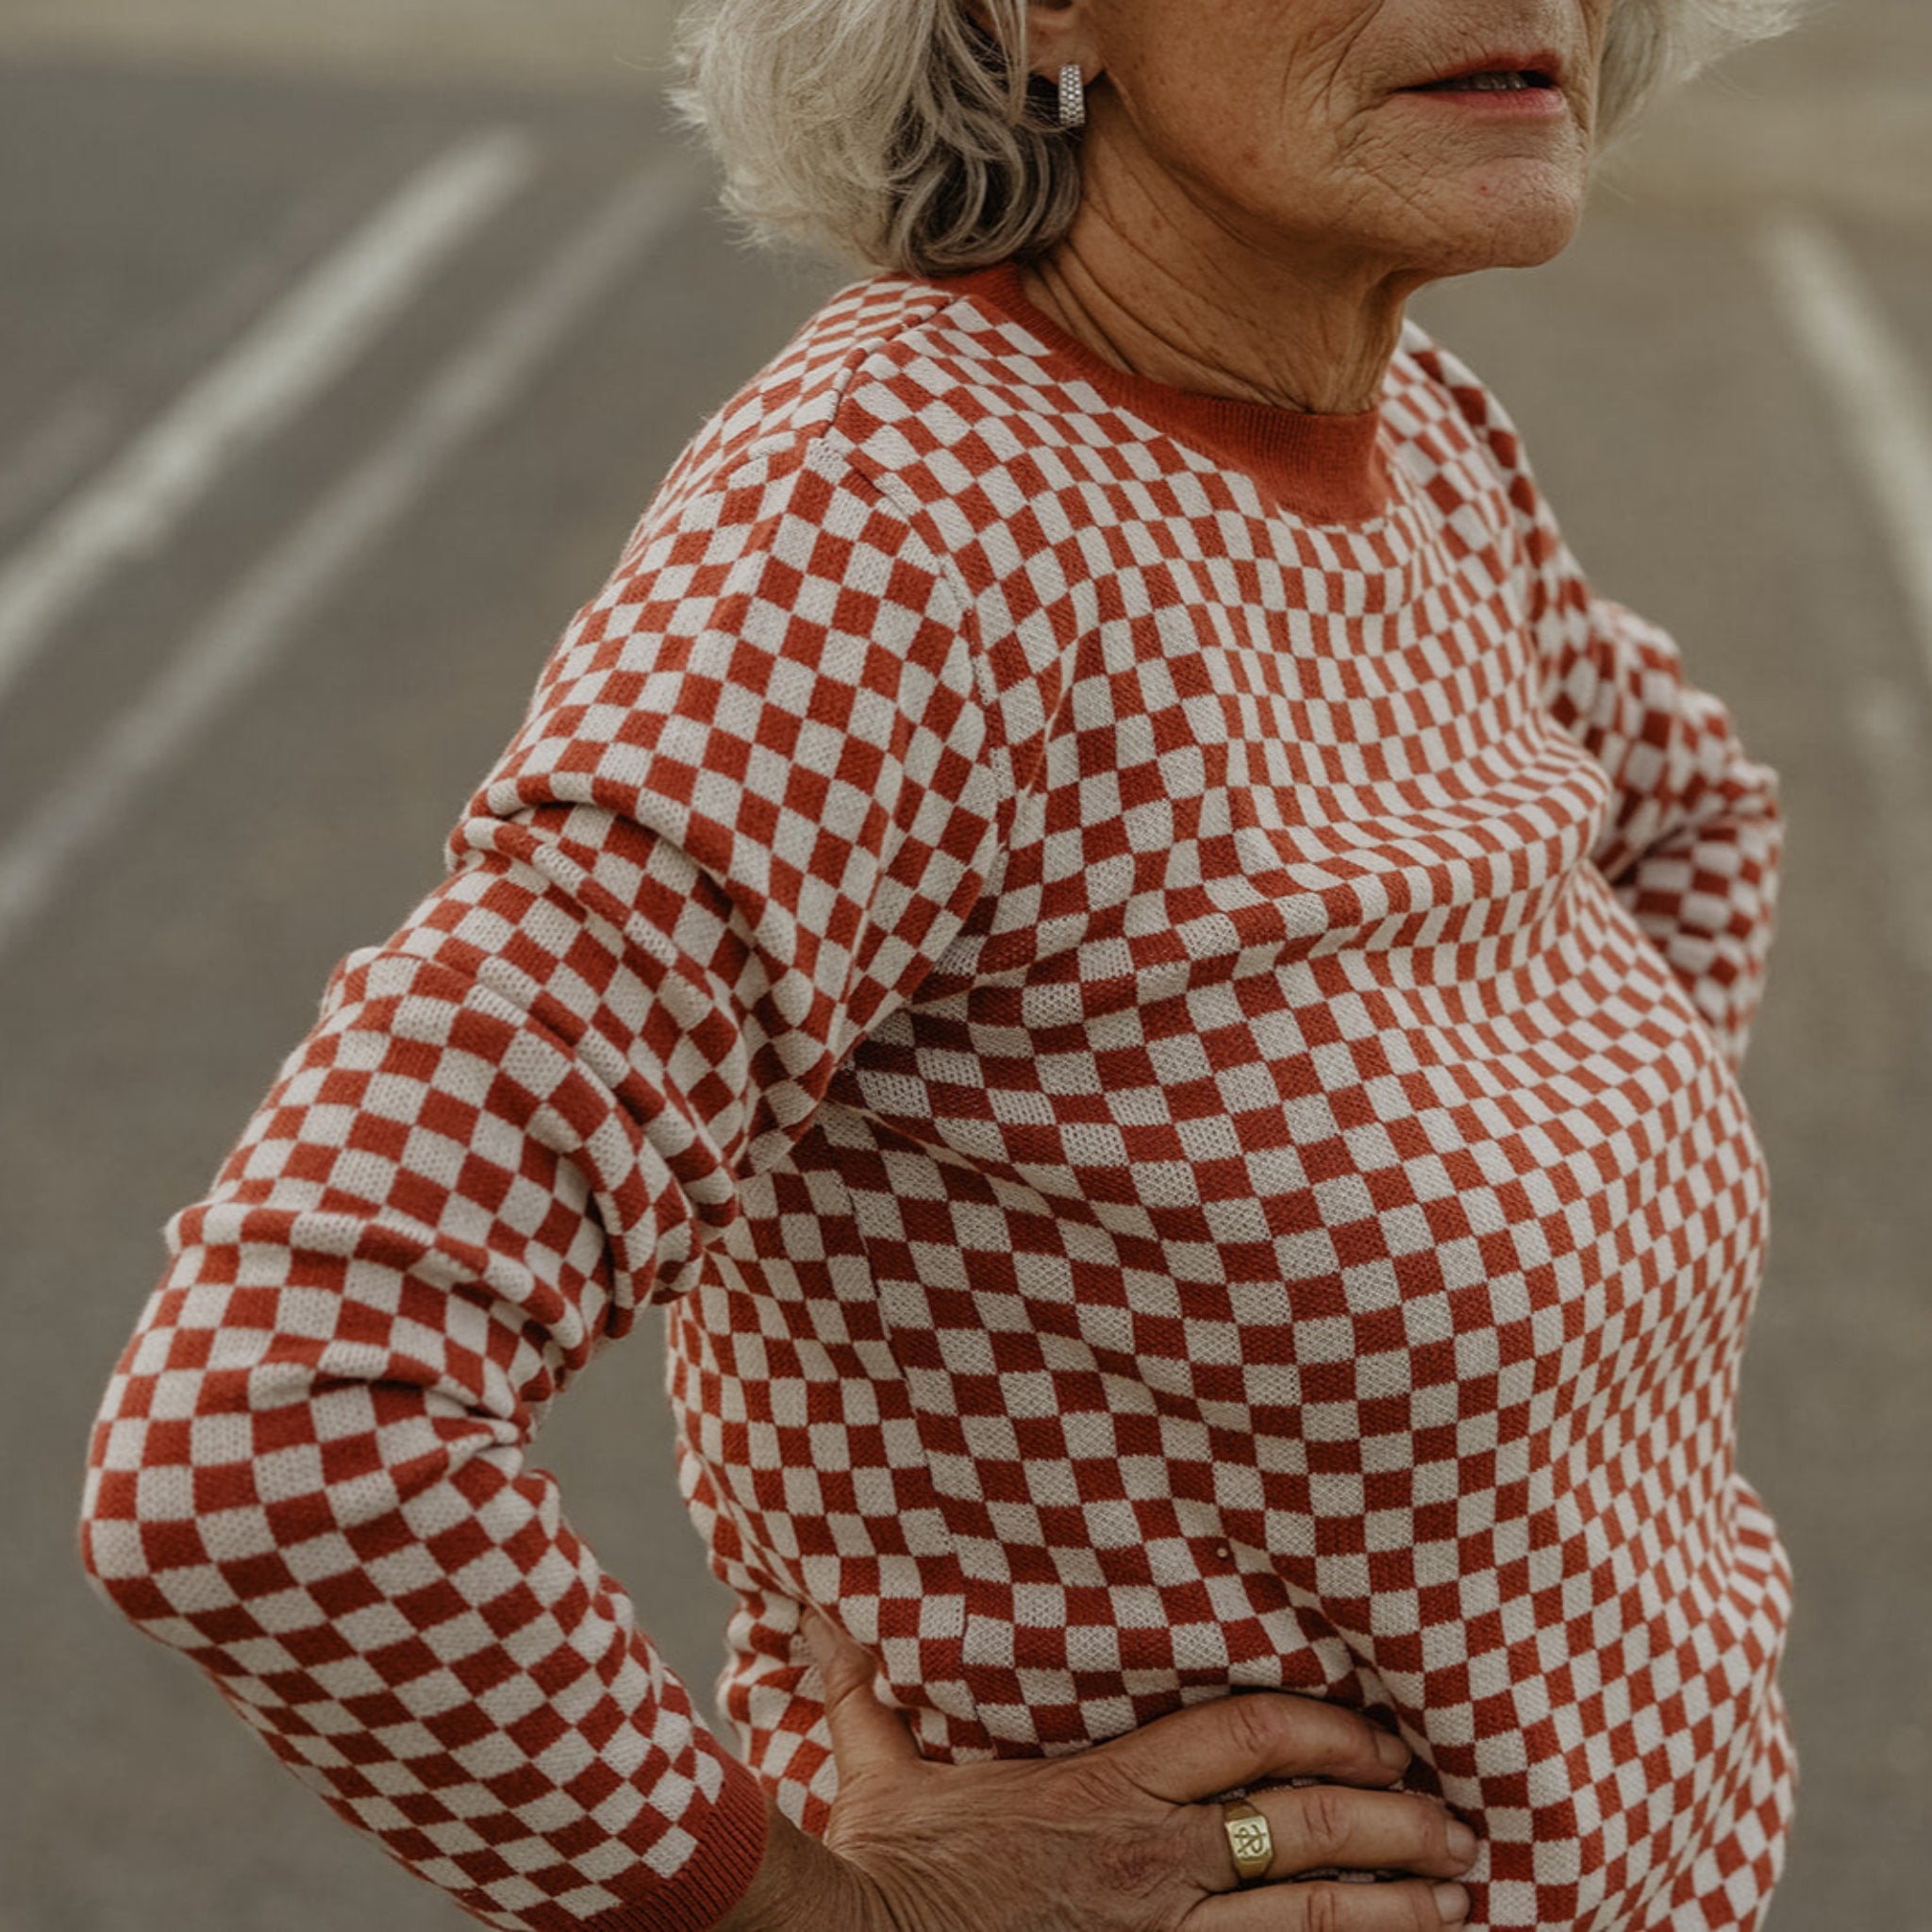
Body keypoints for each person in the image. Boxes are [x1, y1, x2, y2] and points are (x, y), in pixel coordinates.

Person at [79, 0, 1807, 1925]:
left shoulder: (1416, 437)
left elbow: (1684, 810)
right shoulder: (891, 536)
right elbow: (271, 1428)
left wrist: (1569, 1339)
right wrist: (818, 1910)